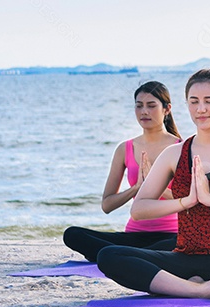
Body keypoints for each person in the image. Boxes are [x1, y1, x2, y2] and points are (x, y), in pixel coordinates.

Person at [97, 65, 210, 301]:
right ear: (186, 105)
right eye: (194, 101)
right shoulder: (174, 153)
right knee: (109, 256)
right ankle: (200, 289)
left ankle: (204, 284)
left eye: (209, 101)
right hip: (186, 256)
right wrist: (186, 202)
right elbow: (140, 209)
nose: (201, 109)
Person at [63, 82, 181, 262]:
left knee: (178, 244)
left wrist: (155, 187)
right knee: (72, 234)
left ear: (167, 109)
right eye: (139, 105)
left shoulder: (182, 148)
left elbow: (192, 202)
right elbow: (107, 205)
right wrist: (136, 188)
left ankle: (121, 255)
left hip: (172, 235)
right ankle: (130, 255)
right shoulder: (124, 149)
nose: (144, 111)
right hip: (134, 235)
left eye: (151, 106)